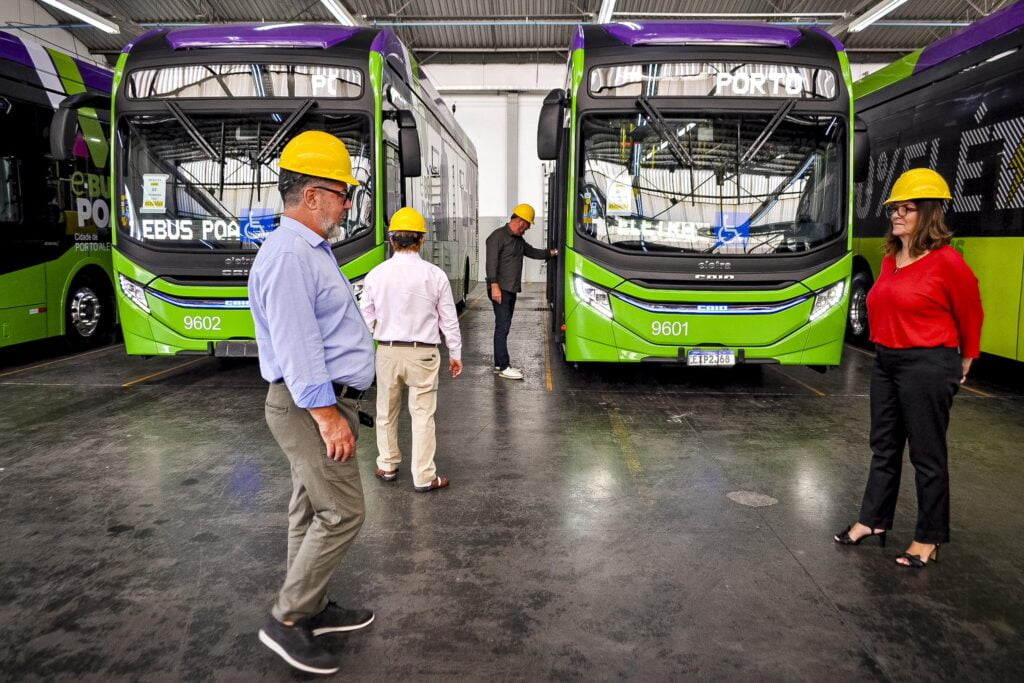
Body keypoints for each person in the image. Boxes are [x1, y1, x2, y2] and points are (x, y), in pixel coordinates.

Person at [248, 130, 376, 675]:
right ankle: (287, 618)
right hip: (309, 407)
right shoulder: (289, 256)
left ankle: (312, 606)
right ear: (312, 195)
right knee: (344, 511)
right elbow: (299, 350)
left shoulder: (307, 251)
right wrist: (329, 418)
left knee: (308, 508)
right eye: (342, 193)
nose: (347, 205)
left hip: (315, 404)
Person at [834, 168, 983, 569]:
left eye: (908, 209)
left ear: (929, 214)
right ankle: (873, 520)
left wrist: (967, 356)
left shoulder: (947, 262)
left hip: (929, 363)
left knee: (926, 454)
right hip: (886, 360)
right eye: (895, 208)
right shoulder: (889, 259)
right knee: (883, 446)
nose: (897, 214)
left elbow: (971, 310)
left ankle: (929, 538)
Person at [360, 207, 463, 492]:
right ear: (421, 240)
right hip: (424, 354)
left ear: (391, 239)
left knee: (386, 411)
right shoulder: (435, 275)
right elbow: (449, 320)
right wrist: (455, 354)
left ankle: (387, 464)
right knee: (422, 415)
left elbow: (364, 320)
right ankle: (424, 476)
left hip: (388, 352)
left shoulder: (376, 275)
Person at [485, 203, 558, 379]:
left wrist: (552, 252)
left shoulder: (518, 240)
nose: (526, 229)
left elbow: (533, 252)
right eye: (526, 225)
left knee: (503, 326)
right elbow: (491, 263)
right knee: (503, 327)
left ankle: (498, 363)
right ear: (519, 221)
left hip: (510, 289)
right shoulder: (497, 237)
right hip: (500, 289)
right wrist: (494, 285)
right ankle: (504, 366)